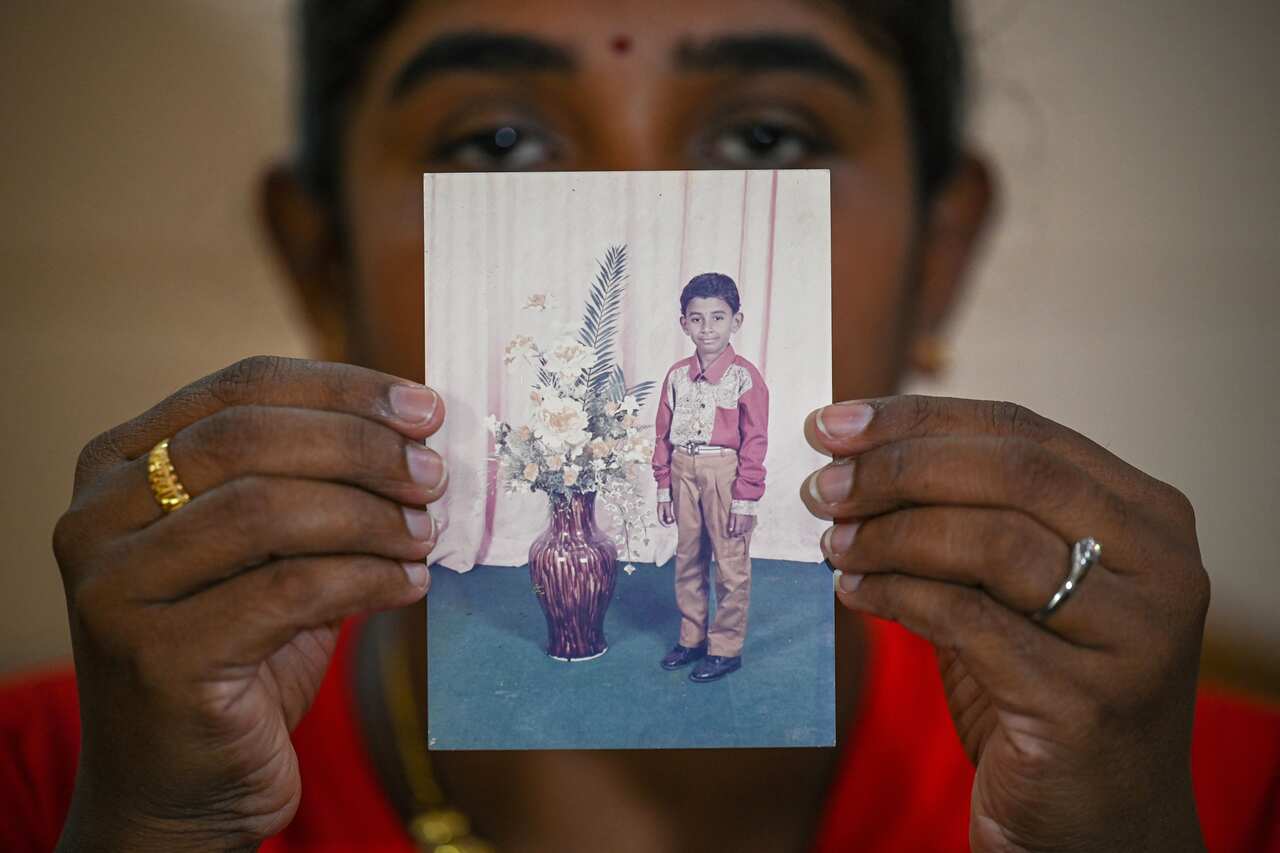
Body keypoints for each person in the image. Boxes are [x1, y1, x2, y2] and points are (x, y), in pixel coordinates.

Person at [2, 0, 1279, 851]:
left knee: (716, 572)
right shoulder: (60, 782)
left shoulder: (1215, 801)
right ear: (320, 254)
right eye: (498, 142)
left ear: (938, 257)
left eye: (765, 136)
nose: (627, 220)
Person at [652, 273, 769, 683]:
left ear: (736, 321)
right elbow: (662, 435)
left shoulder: (745, 377)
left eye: (718, 318)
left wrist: (745, 499)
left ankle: (725, 648)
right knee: (687, 558)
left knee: (730, 564)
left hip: (726, 474)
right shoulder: (676, 376)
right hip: (683, 468)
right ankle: (692, 638)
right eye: (697, 319)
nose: (707, 328)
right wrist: (664, 487)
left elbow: (755, 441)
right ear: (683, 322)